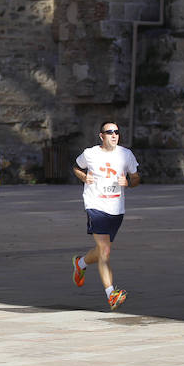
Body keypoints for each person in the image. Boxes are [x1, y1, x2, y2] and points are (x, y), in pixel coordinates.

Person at [71, 121, 139, 310]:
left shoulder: (126, 155)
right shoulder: (90, 154)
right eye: (109, 132)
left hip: (116, 209)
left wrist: (129, 182)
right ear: (101, 136)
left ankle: (81, 262)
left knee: (102, 250)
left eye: (117, 132)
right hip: (95, 205)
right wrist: (84, 177)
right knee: (105, 251)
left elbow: (136, 178)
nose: (114, 135)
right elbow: (76, 167)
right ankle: (111, 294)